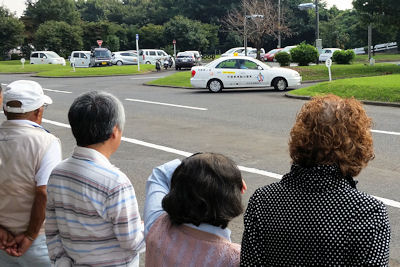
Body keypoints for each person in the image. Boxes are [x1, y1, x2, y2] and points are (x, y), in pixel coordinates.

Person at [240, 95, 391, 266]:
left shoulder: (263, 200)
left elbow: (249, 264)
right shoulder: (368, 212)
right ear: (357, 148)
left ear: (299, 139)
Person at [45, 91, 145, 266]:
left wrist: (59, 261)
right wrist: (152, 226)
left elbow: (52, 229)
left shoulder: (58, 173)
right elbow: (132, 241)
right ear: (115, 131)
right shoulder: (115, 183)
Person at [144, 152, 247, 267]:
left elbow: (161, 174)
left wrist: (194, 166)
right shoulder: (235, 259)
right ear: (232, 198)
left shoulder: (157, 226)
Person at [0, 80, 62, 266]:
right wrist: (29, 235)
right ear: (38, 111)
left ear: (5, 111)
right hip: (38, 241)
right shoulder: (46, 142)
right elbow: (44, 192)